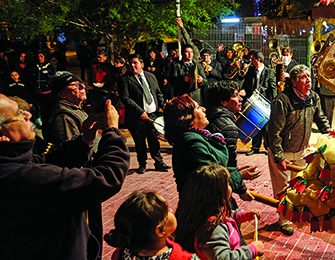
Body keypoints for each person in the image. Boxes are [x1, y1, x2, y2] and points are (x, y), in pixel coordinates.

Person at [0, 93, 129, 259]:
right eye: (18, 114)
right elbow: (107, 177)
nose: (28, 115)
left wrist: (84, 140)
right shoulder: (21, 178)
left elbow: (47, 160)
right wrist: (113, 132)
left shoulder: (14, 163)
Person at [266, 64, 331, 235]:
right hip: (282, 151)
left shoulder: (313, 97)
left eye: (308, 76)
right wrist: (279, 157)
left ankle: (296, 213)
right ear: (293, 82)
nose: (308, 80)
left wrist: (330, 134)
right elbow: (274, 131)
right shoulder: (282, 100)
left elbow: (321, 118)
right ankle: (284, 220)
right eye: (303, 77)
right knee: (283, 189)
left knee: (299, 184)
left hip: (301, 150)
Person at [162, 94, 253, 204]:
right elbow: (213, 179)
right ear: (187, 117)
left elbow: (218, 167)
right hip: (202, 209)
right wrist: (240, 176)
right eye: (198, 108)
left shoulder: (198, 137)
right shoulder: (191, 142)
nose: (203, 109)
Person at [174, 164, 265, 259]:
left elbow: (228, 215)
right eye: (228, 184)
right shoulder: (213, 228)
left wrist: (243, 216)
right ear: (218, 193)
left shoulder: (203, 211)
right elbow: (223, 257)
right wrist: (252, 249)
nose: (230, 187)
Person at [105, 190, 198, 260]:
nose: (171, 211)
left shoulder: (120, 255)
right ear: (160, 231)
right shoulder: (186, 258)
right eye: (167, 210)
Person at [119, 53, 170, 174]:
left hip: (152, 115)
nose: (132, 65)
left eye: (135, 63)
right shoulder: (125, 79)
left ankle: (159, 162)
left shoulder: (150, 76)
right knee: (140, 141)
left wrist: (163, 106)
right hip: (136, 117)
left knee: (154, 140)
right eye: (130, 63)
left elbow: (158, 93)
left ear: (141, 64)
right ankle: (142, 164)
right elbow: (125, 98)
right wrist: (140, 112)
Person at [204, 81, 261, 180]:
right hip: (215, 183)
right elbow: (229, 165)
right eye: (235, 95)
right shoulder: (228, 127)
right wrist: (240, 181)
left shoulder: (207, 118)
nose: (240, 99)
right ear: (223, 102)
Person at [241, 50, 276, 155]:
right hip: (253, 100)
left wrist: (274, 102)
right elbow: (246, 84)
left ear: (258, 59)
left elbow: (272, 87)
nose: (251, 61)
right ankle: (255, 147)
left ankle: (267, 147)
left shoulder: (269, 71)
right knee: (255, 124)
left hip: (264, 101)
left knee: (266, 126)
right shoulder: (251, 70)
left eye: (253, 59)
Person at [43, 71, 88, 148]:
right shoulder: (63, 117)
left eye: (81, 83)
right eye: (74, 85)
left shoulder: (74, 109)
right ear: (61, 94)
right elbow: (71, 150)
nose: (82, 86)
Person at [170, 18, 206, 104]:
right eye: (187, 52)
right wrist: (183, 80)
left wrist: (201, 80)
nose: (189, 54)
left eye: (191, 52)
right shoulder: (176, 65)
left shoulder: (197, 64)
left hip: (196, 98)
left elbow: (205, 81)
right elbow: (173, 82)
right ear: (182, 53)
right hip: (183, 97)